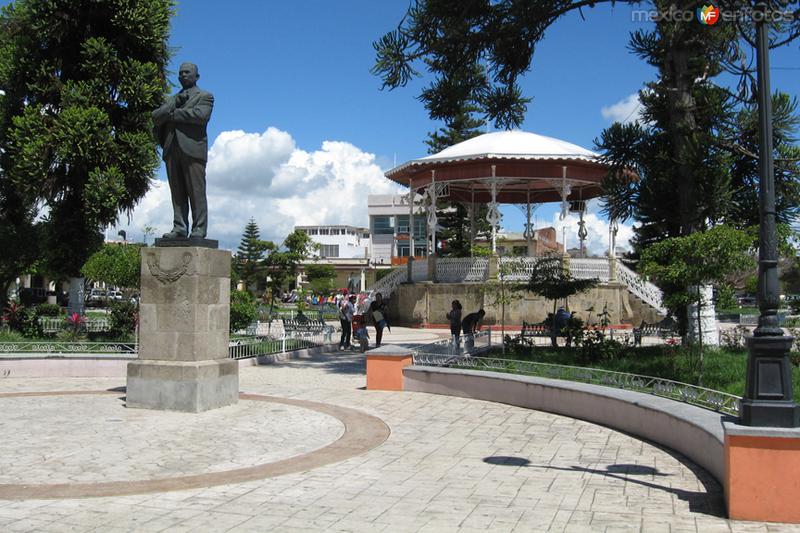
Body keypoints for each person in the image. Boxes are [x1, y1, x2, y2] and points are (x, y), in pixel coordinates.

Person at [152, 62, 215, 239]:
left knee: (196, 191)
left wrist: (172, 115)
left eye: (187, 72)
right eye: (180, 73)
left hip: (193, 149)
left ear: (197, 76)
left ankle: (199, 228)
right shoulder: (173, 99)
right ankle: (179, 226)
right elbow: (156, 117)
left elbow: (200, 116)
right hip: (172, 147)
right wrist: (173, 105)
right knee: (177, 192)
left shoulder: (205, 96)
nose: (183, 75)